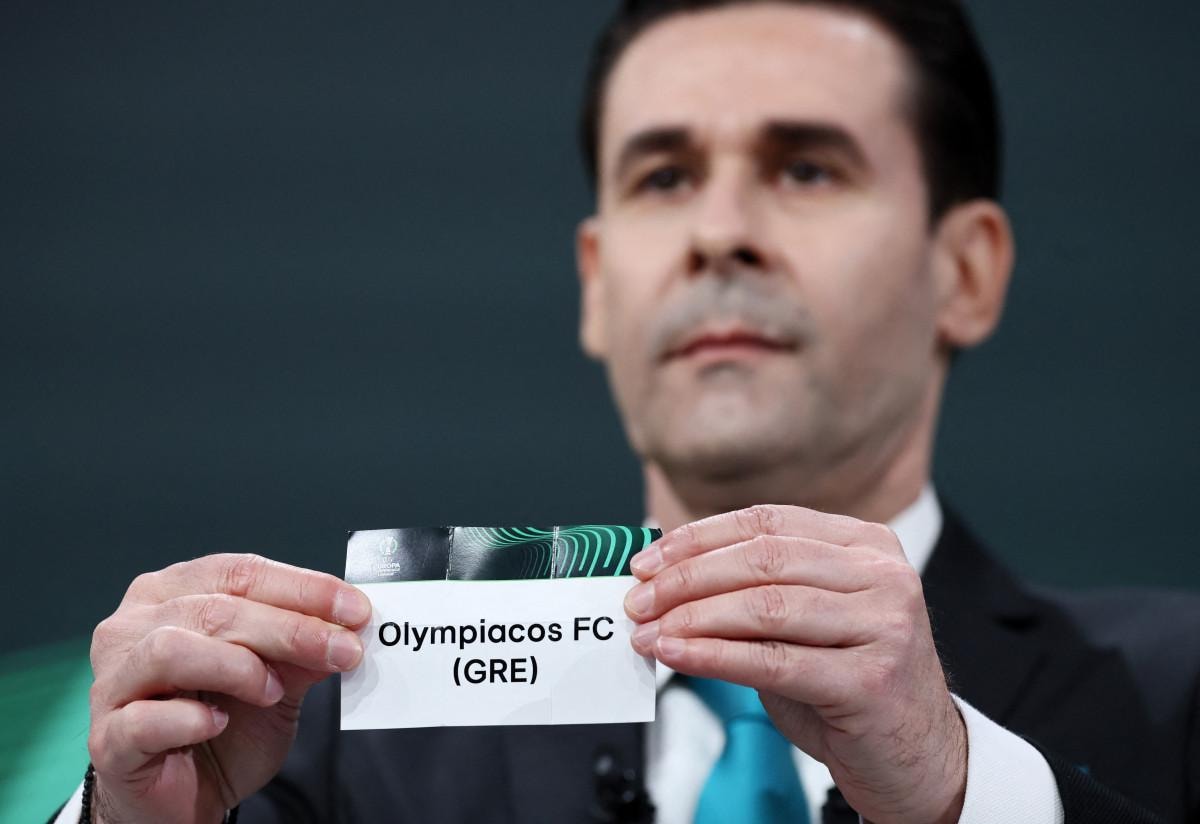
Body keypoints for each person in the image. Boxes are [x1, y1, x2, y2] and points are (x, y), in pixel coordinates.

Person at [56, 1, 1200, 822]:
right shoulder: (337, 745)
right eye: (664, 177)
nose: (719, 233)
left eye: (806, 168)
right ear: (598, 284)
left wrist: (960, 791)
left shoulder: (1175, 692)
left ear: (967, 270)